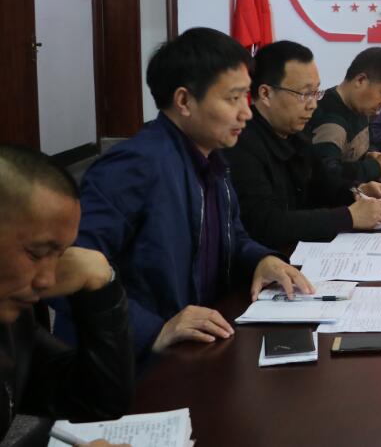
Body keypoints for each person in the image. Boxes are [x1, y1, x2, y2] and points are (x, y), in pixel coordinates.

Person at [56, 28, 312, 362]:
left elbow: (232, 237)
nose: (246, 113)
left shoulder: (212, 159)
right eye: (233, 99)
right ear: (184, 101)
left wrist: (262, 259)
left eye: (246, 98)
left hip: (199, 344)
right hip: (133, 362)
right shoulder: (136, 166)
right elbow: (63, 268)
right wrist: (154, 330)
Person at [0, 146, 133, 445]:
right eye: (36, 254)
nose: (48, 280)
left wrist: (102, 286)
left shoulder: (12, 321)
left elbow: (97, 401)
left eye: (60, 255)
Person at [224, 41, 381, 249]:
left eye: (315, 92)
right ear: (266, 94)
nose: (312, 104)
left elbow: (322, 182)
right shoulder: (242, 144)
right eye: (304, 94)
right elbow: (265, 223)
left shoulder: (294, 134)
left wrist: (356, 191)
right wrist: (347, 217)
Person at [307, 46, 381, 188]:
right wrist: (376, 167)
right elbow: (326, 176)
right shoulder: (331, 121)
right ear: (360, 80)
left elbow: (361, 148)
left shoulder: (360, 107)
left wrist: (369, 155)